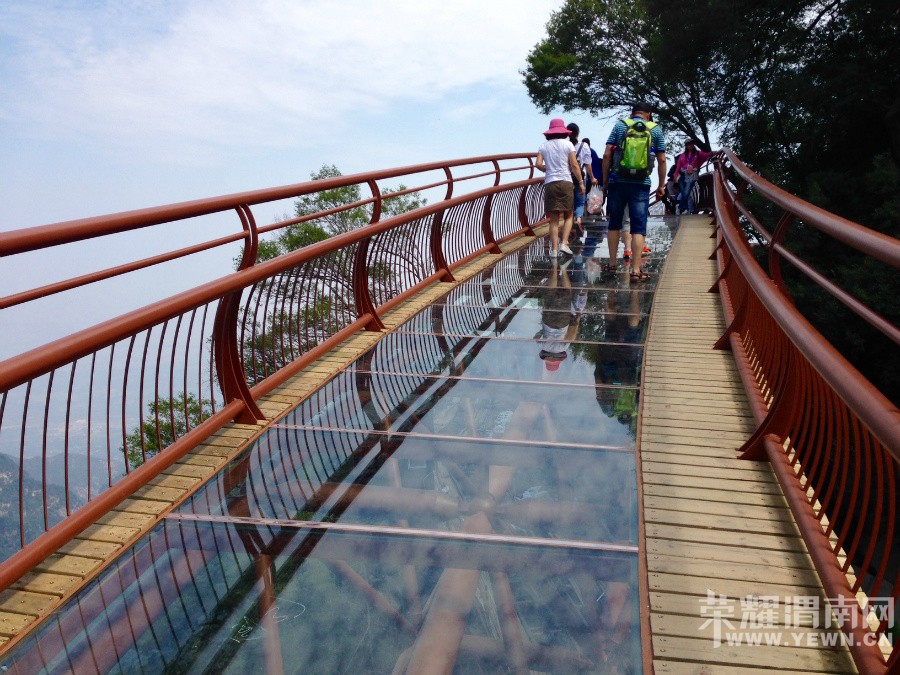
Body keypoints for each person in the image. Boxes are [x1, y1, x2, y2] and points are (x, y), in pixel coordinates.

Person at [602, 101, 666, 281]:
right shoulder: (655, 129)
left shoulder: (620, 125)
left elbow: (607, 154)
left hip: (618, 181)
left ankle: (613, 265)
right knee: (638, 226)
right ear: (648, 114)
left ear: (633, 113)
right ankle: (636, 271)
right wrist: (661, 185)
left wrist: (606, 182)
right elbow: (661, 160)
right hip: (641, 183)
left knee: (615, 222)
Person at [536, 118, 586, 257]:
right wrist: (581, 182)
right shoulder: (568, 145)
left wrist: (547, 169)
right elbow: (575, 165)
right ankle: (564, 243)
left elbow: (538, 164)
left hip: (550, 183)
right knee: (569, 214)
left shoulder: (543, 146)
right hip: (566, 182)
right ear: (563, 131)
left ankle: (554, 250)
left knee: (554, 218)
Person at [566, 124, 598, 238]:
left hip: (566, 178)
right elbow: (588, 164)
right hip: (579, 178)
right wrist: (592, 177)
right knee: (580, 202)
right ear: (578, 133)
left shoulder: (565, 145)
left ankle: (568, 226)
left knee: (569, 203)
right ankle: (578, 220)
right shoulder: (584, 146)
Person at [673, 139, 715, 214]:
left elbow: (707, 155)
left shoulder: (698, 153)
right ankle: (684, 208)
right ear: (686, 146)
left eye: (692, 143)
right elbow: (678, 166)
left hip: (692, 174)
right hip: (683, 175)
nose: (690, 145)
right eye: (688, 144)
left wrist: (713, 153)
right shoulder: (682, 155)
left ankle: (680, 207)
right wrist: (675, 176)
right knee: (685, 192)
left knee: (686, 191)